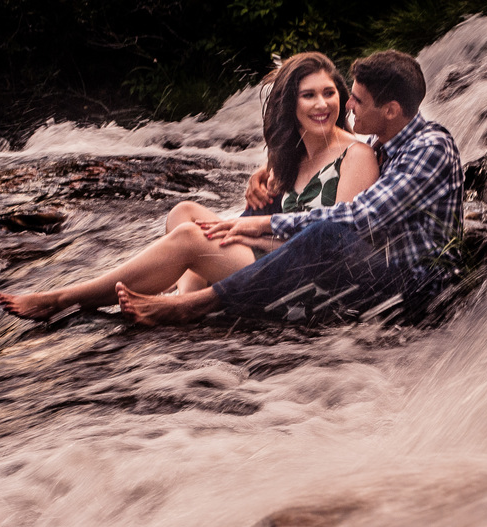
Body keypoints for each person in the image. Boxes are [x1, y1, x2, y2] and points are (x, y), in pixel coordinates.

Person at [0, 52, 378, 320]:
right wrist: (260, 183)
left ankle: (63, 298)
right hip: (273, 258)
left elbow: (335, 242)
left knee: (191, 239)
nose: (321, 104)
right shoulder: (293, 152)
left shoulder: (356, 155)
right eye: (308, 95)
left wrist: (247, 233)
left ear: (341, 97)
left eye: (328, 93)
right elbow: (276, 203)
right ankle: (183, 299)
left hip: (305, 279)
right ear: (290, 104)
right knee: (185, 212)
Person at [114, 49, 464, 327]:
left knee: (324, 233)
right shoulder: (386, 141)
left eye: (357, 99)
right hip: (375, 270)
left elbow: (360, 217)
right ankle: (181, 296)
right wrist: (267, 170)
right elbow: (331, 155)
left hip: (412, 289)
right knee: (187, 214)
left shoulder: (429, 147)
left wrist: (262, 226)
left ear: (390, 110)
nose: (348, 105)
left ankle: (192, 305)